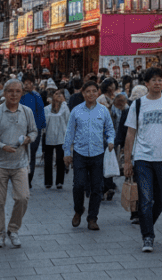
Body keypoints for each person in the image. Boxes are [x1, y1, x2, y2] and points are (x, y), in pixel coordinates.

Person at [124, 67, 162, 253]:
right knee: (145, 199)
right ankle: (148, 236)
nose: (158, 83)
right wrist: (127, 161)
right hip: (142, 158)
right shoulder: (138, 104)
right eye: (154, 80)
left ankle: (146, 222)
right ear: (146, 83)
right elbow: (130, 134)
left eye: (161, 79)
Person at [0, 78, 36, 248]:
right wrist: (1, 146)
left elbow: (34, 131)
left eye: (17, 91)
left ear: (21, 93)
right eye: (10, 91)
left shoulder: (27, 112)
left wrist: (29, 139)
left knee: (23, 198)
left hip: (20, 163)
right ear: (4, 93)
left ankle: (13, 229)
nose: (14, 94)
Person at [63, 80, 116, 231]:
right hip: (80, 153)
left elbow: (110, 130)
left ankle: (93, 218)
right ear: (83, 93)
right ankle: (78, 210)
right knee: (78, 185)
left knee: (97, 188)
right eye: (88, 91)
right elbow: (69, 133)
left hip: (98, 153)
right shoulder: (76, 111)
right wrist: (67, 152)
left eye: (94, 91)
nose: (91, 94)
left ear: (98, 92)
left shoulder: (103, 111)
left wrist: (111, 141)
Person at [20, 73, 47, 188]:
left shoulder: (37, 96)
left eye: (30, 83)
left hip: (34, 130)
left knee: (31, 154)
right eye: (25, 83)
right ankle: (20, 177)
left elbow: (41, 113)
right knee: (20, 153)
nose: (27, 85)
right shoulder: (18, 96)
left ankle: (29, 179)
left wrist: (41, 129)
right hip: (20, 130)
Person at [43, 88, 69, 189]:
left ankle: (59, 182)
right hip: (49, 136)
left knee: (60, 160)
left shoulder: (65, 108)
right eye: (56, 94)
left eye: (59, 94)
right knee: (48, 160)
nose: (57, 96)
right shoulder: (47, 108)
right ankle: (48, 181)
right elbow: (44, 122)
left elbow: (68, 120)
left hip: (61, 137)